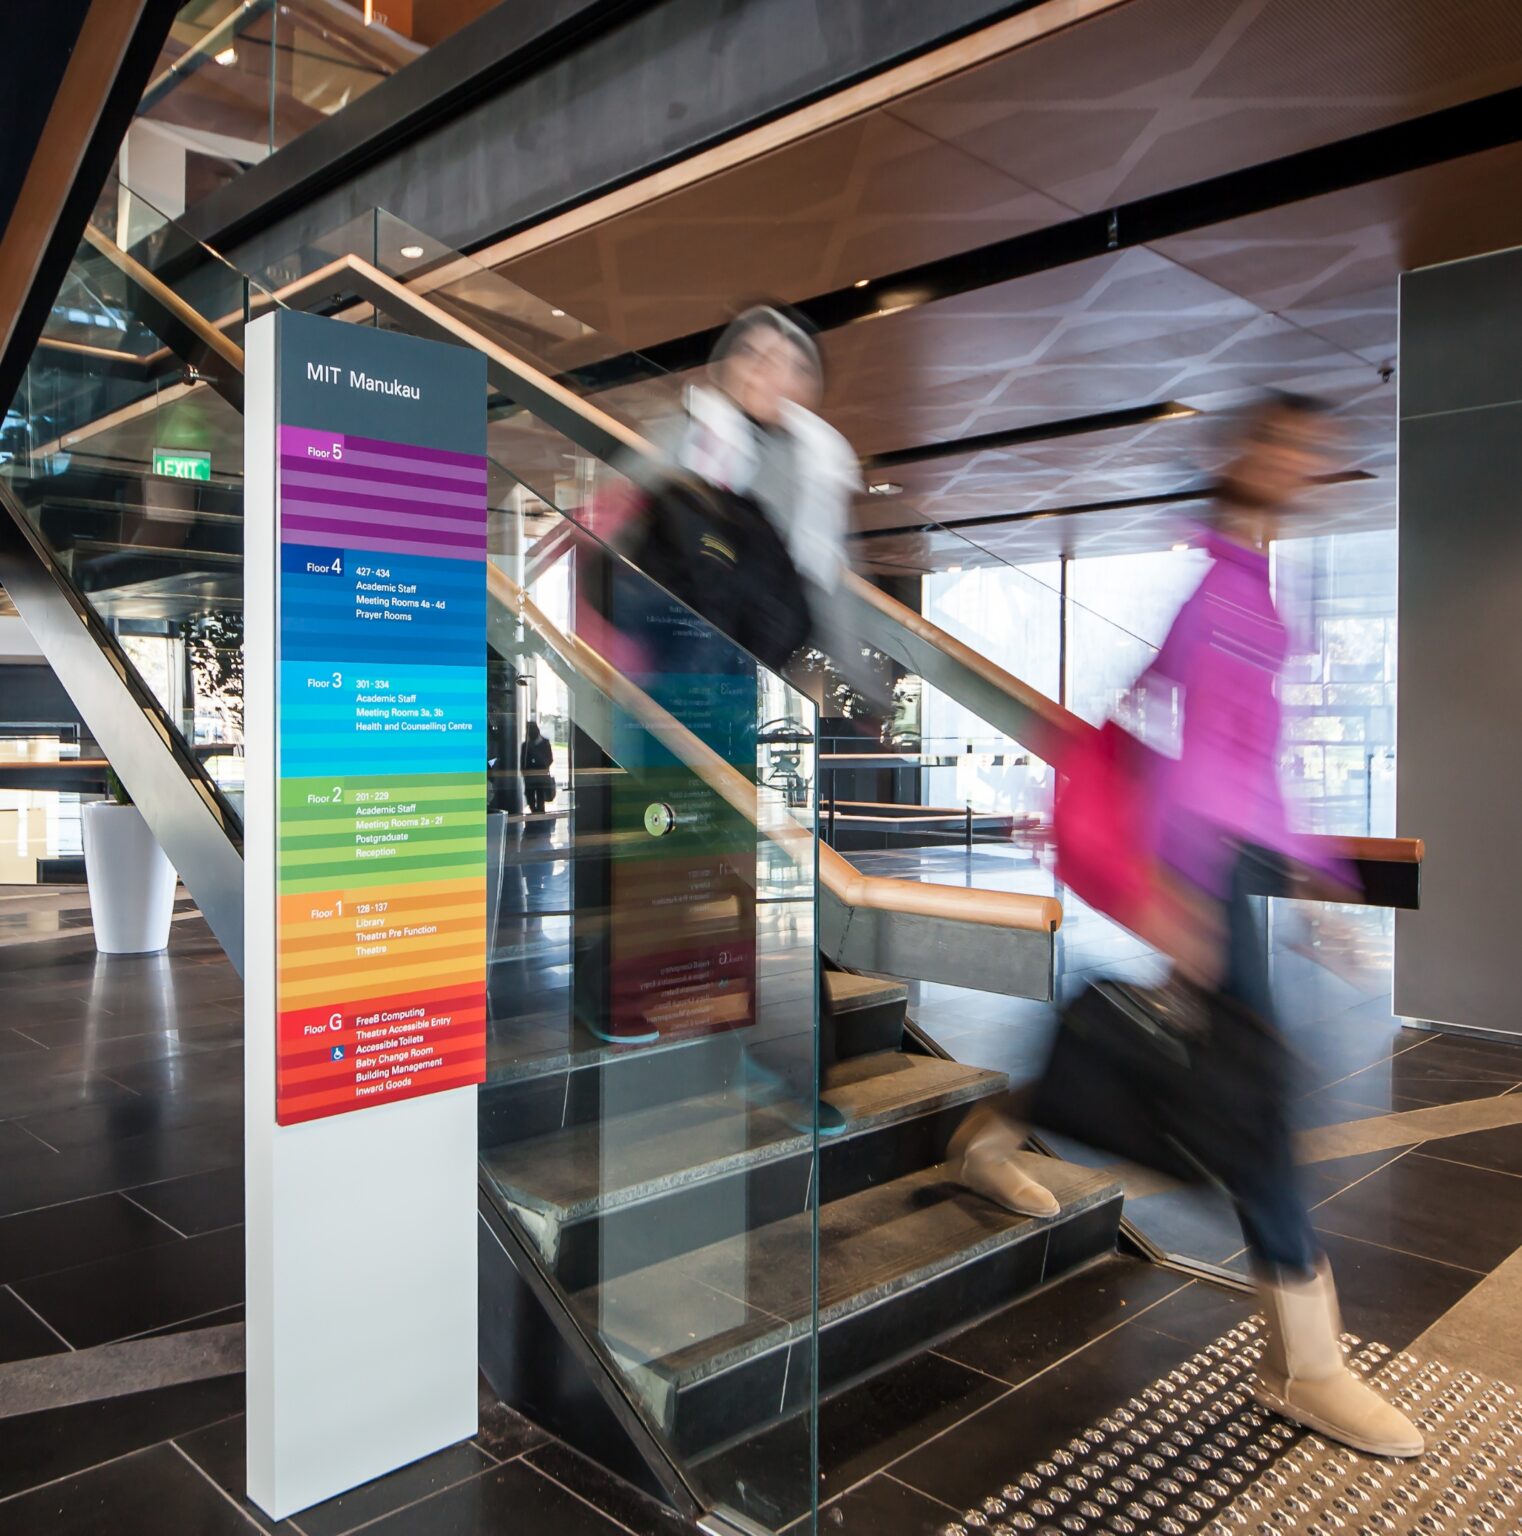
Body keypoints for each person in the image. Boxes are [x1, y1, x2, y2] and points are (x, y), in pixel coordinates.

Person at [1056, 393, 1423, 1459]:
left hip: (1227, 874)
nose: (1308, 462)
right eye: (1291, 445)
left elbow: (1240, 758)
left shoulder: (1249, 584)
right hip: (1204, 879)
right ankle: (1306, 1367)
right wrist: (1177, 895)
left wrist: (1316, 878)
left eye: (1312, 447)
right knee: (1253, 1107)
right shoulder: (1225, 589)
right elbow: (1199, 769)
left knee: (1244, 1096)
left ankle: (993, 1135)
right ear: (1251, 458)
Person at [520, 721, 554, 816]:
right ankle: (536, 812)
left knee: (537, 794)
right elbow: (550, 759)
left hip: (534, 775)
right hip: (537, 774)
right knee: (535, 794)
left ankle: (536, 812)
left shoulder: (526, 745)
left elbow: (523, 761)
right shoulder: (542, 743)